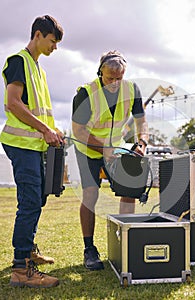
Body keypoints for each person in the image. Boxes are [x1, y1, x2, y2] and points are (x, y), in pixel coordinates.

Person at [0, 15, 64, 288]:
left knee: (37, 199)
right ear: (38, 35)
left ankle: (28, 252)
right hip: (20, 144)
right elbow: (14, 104)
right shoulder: (18, 62)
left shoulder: (39, 69)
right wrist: (44, 130)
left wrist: (53, 130)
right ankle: (21, 270)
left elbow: (39, 111)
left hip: (34, 145)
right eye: (52, 41)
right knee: (29, 203)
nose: (55, 48)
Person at [72, 50, 149, 271]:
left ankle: (126, 241)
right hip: (87, 148)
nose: (114, 83)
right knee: (90, 193)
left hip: (115, 148)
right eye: (109, 78)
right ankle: (90, 250)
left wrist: (141, 142)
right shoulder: (86, 93)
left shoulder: (132, 89)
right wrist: (103, 148)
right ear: (100, 73)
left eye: (119, 78)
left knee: (130, 188)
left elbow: (141, 121)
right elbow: (78, 130)